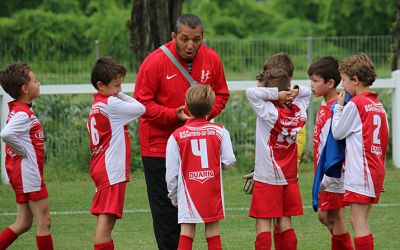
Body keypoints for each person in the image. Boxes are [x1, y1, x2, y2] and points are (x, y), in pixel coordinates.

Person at [133, 14, 230, 249]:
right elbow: (141, 103)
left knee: (205, 212)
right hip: (158, 147)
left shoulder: (212, 59)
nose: (190, 45)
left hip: (196, 148)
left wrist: (203, 116)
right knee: (167, 212)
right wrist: (172, 115)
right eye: (185, 39)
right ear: (174, 36)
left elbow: (222, 94)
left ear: (202, 38)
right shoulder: (155, 62)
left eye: (196, 40)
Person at [243, 52, 307, 250]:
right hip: (289, 177)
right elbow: (308, 93)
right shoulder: (299, 111)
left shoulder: (268, 112)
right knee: (285, 221)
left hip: (267, 176)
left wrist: (274, 94)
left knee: (263, 222)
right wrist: (293, 92)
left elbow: (251, 93)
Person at [165, 84, 236, 250]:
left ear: (186, 107)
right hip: (212, 190)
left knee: (186, 233)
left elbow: (172, 173)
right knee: (213, 232)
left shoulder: (176, 136)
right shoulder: (220, 131)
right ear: (211, 107)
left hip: (188, 192)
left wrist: (173, 195)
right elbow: (229, 160)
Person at [331, 53, 389, 250]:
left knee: (358, 222)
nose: (342, 87)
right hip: (375, 169)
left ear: (355, 80)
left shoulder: (356, 104)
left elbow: (338, 132)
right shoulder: (378, 105)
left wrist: (338, 108)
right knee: (363, 220)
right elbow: (383, 140)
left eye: (344, 81)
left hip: (361, 171)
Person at [87, 57, 145, 250]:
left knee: (108, 221)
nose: (119, 90)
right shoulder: (110, 103)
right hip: (110, 169)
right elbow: (140, 108)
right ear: (100, 86)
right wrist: (119, 96)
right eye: (116, 85)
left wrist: (115, 93)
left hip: (103, 166)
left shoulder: (99, 104)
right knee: (106, 221)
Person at [0, 63, 54, 250]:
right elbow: (6, 134)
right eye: (35, 80)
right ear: (25, 89)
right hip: (28, 173)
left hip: (22, 173)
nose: (38, 83)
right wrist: (22, 150)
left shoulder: (20, 110)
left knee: (23, 222)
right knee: (44, 221)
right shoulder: (23, 114)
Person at [309, 56, 353, 250]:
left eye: (316, 81)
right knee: (329, 216)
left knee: (331, 216)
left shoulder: (338, 108)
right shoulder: (325, 104)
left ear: (331, 83)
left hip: (333, 172)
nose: (311, 85)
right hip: (324, 170)